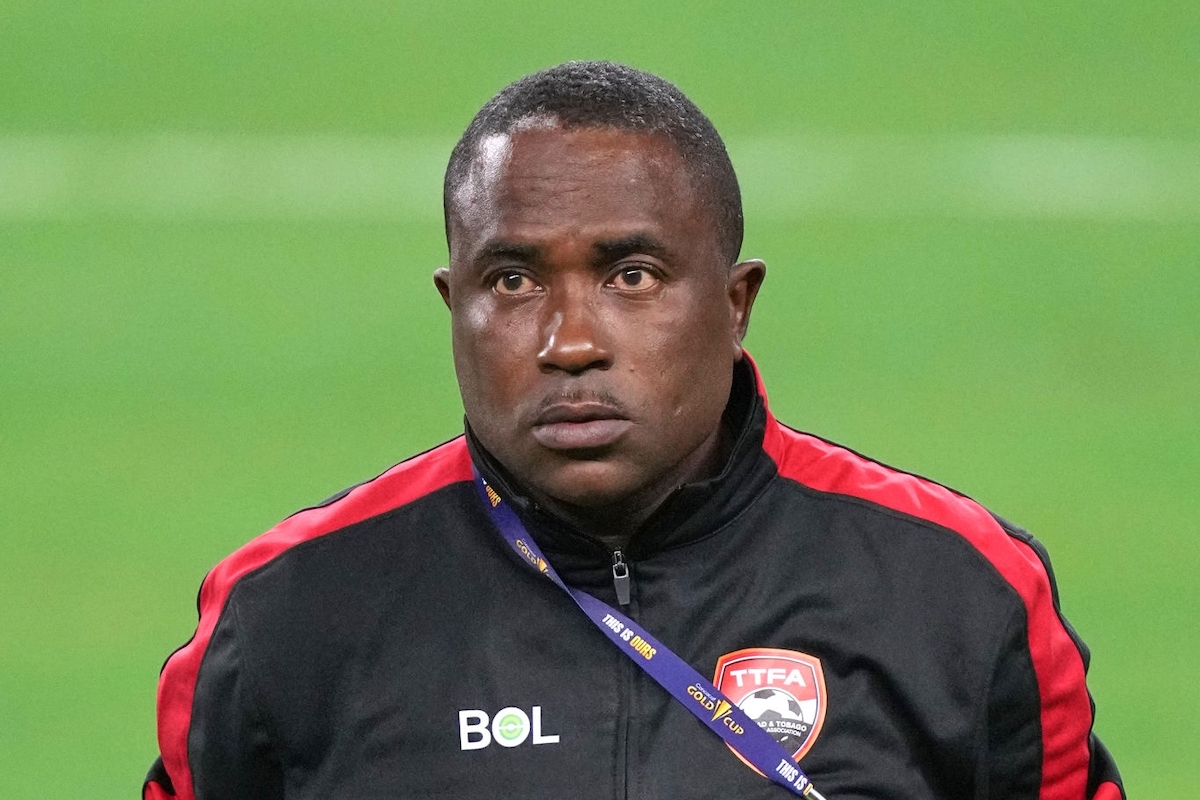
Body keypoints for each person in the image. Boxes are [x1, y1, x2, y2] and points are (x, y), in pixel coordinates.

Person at [144, 61, 1124, 800]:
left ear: (736, 302)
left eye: (632, 276)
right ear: (453, 304)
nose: (570, 342)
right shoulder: (288, 613)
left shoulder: (955, 591)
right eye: (514, 280)